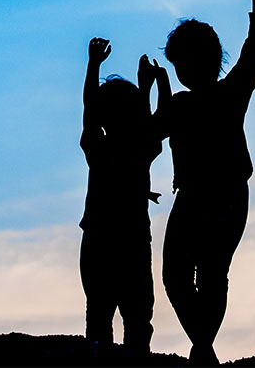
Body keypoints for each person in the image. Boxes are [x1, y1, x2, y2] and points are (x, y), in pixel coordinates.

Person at [158, 0, 255, 366]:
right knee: (182, 276)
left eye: (182, 63)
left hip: (223, 195)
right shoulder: (183, 104)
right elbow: (151, 133)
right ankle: (204, 345)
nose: (182, 71)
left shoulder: (225, 94)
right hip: (198, 197)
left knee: (207, 274)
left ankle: (203, 348)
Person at [78, 38, 166, 356]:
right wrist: (148, 88)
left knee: (100, 318)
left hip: (100, 239)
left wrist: (93, 65)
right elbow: (149, 125)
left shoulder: (98, 148)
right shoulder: (140, 150)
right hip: (132, 242)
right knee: (138, 320)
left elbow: (90, 110)